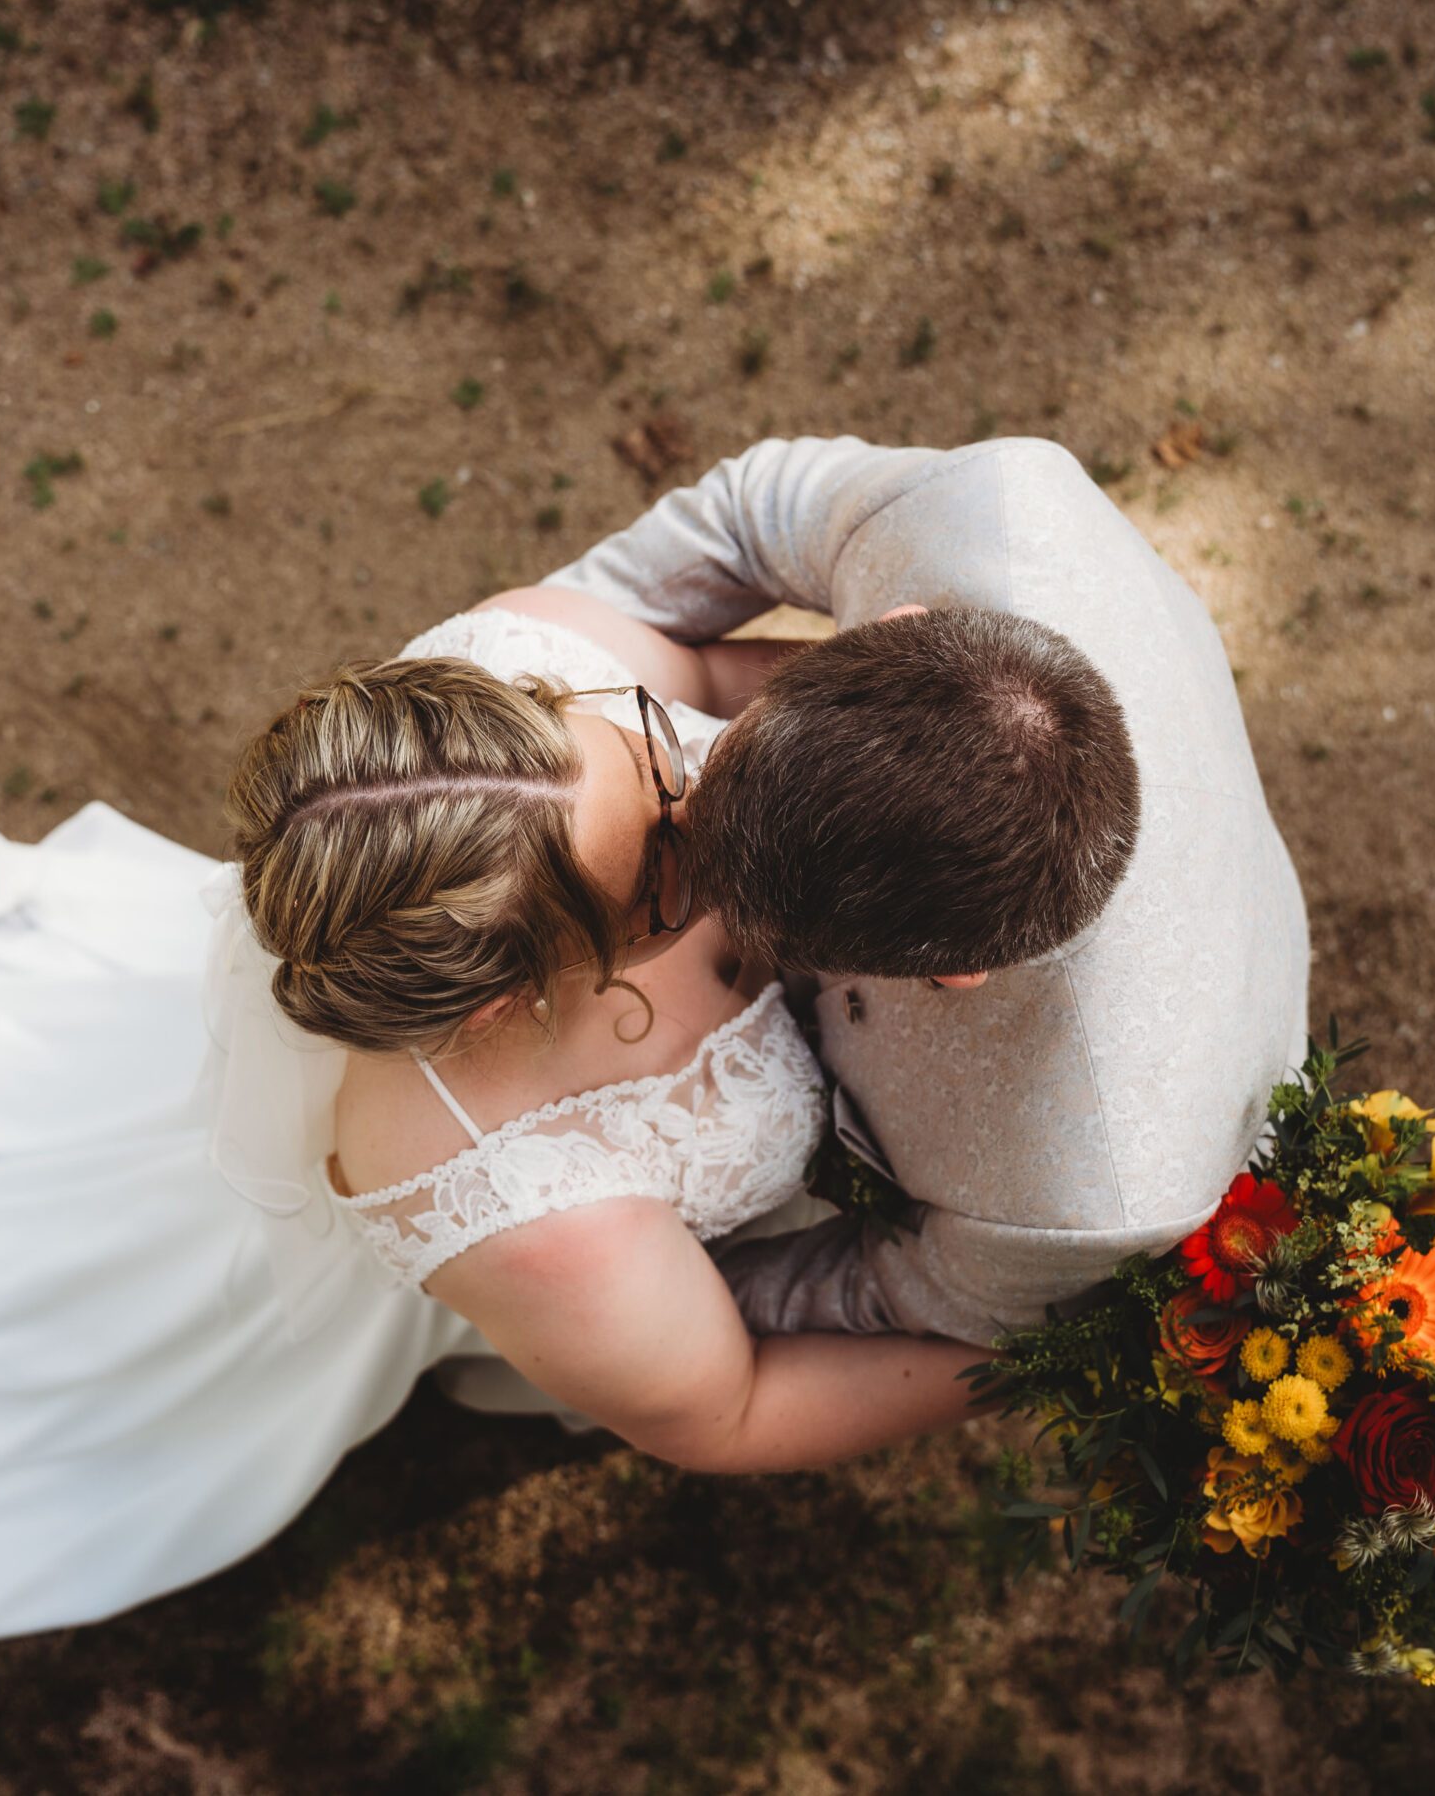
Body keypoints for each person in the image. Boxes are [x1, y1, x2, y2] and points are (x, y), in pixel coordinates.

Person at [0, 595, 981, 1668]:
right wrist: (1022, 1334)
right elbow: (720, 1410)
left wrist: (891, 707)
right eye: (664, 871)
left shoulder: (534, 688)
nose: (714, 796)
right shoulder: (519, 1200)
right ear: (500, 1011)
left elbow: (726, 672)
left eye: (654, 754)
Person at [516, 434, 1311, 1342]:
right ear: (890, 625)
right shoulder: (983, 503)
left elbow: (888, 1293)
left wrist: (631, 1305)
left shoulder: (1087, 1193)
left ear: (957, 975)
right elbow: (748, 512)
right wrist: (549, 659)